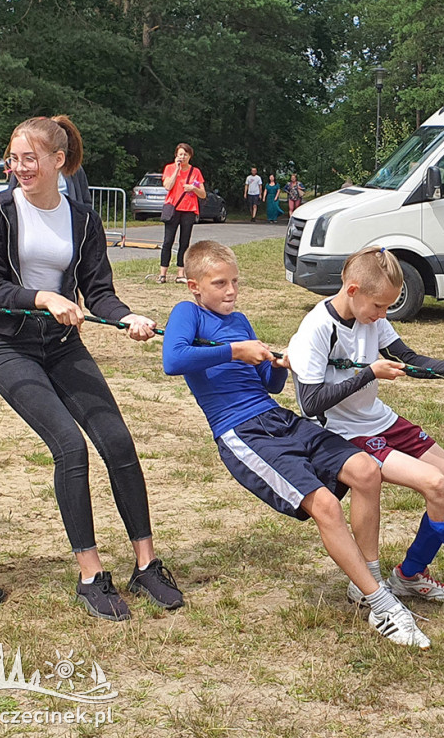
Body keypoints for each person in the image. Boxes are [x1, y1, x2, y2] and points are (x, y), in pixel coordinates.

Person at [163, 240, 429, 648]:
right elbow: (174, 359)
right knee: (324, 504)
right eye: (220, 283)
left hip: (276, 416)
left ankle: (368, 580)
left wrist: (276, 365)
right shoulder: (188, 313)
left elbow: (266, 385)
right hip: (241, 431)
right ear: (194, 286)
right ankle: (382, 606)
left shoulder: (241, 320)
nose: (231, 291)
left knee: (365, 470)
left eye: (235, 281)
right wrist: (236, 350)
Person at [0, 115, 184, 622]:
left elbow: (99, 292)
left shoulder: (84, 218)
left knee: (117, 443)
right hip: (8, 348)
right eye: (13, 157)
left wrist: (126, 315)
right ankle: (91, 574)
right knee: (69, 446)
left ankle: (146, 564)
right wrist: (43, 296)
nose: (18, 167)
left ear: (57, 161)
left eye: (30, 158)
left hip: (64, 346)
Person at [288, 246, 444, 627]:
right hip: (345, 432)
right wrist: (368, 374)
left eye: (388, 307)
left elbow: (410, 359)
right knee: (434, 483)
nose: (383, 316)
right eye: (379, 306)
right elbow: (311, 402)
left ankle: (410, 574)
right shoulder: (316, 329)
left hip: (381, 420)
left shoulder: (373, 317)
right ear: (352, 290)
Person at [158, 143, 206, 284]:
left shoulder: (195, 172)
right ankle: (163, 274)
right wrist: (176, 170)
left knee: (184, 242)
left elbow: (202, 194)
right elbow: (167, 186)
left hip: (189, 209)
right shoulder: (169, 168)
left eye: (185, 154)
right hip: (173, 208)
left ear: (190, 156)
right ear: (176, 156)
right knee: (168, 241)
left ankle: (180, 273)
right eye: (180, 154)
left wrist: (193, 188)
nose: (182, 157)